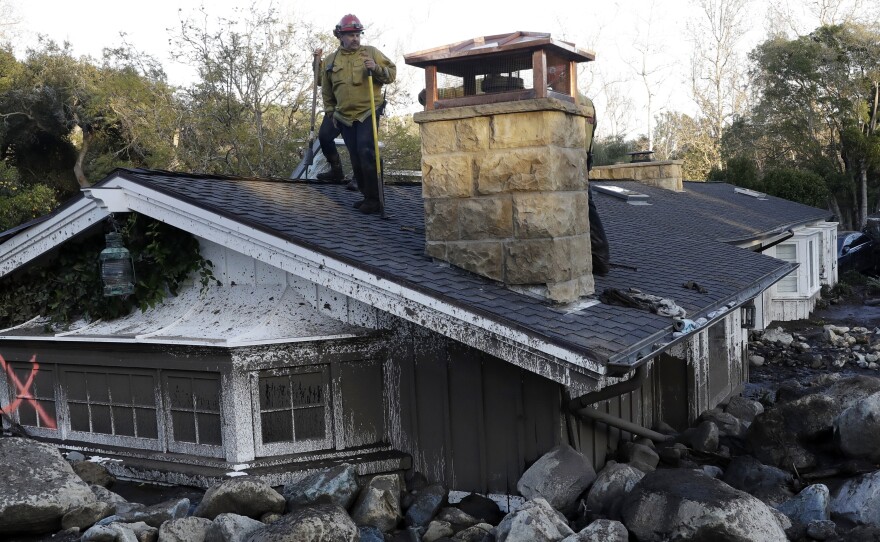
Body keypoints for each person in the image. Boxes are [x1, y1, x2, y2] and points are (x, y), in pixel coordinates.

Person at [321, 14, 396, 214]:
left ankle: (375, 199)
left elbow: (392, 74)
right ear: (340, 36)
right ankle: (367, 196)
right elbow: (326, 91)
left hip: (368, 110)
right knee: (355, 156)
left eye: (357, 34)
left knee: (366, 152)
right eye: (351, 35)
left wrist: (377, 68)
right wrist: (330, 113)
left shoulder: (370, 52)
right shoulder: (330, 61)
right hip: (344, 116)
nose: (355, 38)